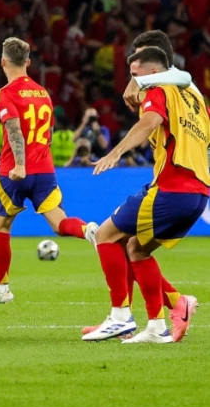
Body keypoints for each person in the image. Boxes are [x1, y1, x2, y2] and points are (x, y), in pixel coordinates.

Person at [83, 46, 207, 344]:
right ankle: (158, 325)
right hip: (199, 193)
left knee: (105, 235)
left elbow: (149, 121)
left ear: (153, 71)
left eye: (135, 74)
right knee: (136, 248)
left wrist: (115, 152)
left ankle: (120, 317)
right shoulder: (196, 101)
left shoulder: (159, 89)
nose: (133, 81)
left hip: (172, 188)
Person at [0, 38, 95, 304]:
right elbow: (49, 132)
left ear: (3, 62)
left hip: (14, 171)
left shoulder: (4, 94)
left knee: (2, 227)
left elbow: (14, 129)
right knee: (60, 223)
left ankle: (2, 289)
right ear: (28, 62)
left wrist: (20, 164)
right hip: (44, 171)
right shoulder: (43, 93)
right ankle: (88, 230)